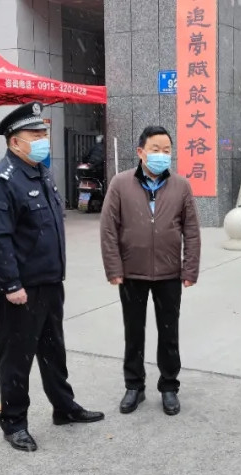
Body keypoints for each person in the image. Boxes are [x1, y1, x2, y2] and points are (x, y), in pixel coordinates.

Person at [0, 102, 104, 453]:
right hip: (22, 288)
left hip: (50, 281)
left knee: (53, 350)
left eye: (43, 134)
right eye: (35, 135)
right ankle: (14, 422)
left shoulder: (40, 172)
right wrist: (11, 284)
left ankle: (64, 407)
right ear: (14, 141)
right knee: (17, 358)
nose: (42, 140)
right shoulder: (2, 180)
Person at [100, 125, 201, 416]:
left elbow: (192, 231)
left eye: (167, 150)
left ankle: (169, 386)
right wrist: (114, 268)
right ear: (141, 152)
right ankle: (134, 386)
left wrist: (189, 269)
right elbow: (108, 229)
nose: (161, 155)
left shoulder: (181, 186)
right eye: (155, 149)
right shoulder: (120, 184)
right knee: (133, 332)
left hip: (169, 274)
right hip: (131, 273)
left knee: (169, 334)